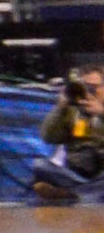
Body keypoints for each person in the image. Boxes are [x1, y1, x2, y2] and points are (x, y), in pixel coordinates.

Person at [31, 66, 104, 202]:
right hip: (75, 172)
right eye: (85, 87)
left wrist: (101, 114)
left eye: (94, 87)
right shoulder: (72, 111)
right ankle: (84, 194)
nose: (89, 92)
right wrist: (60, 108)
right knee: (39, 165)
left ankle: (73, 194)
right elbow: (48, 137)